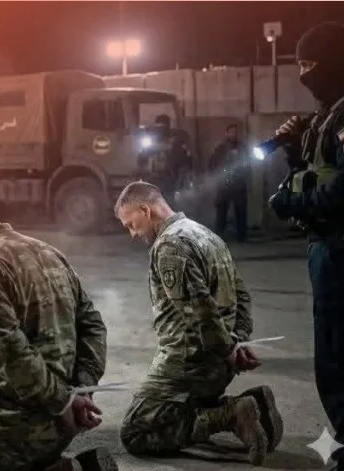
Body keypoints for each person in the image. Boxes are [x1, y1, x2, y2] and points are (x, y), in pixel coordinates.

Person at [0, 177, 113, 471]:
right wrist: (82, 389)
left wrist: (64, 402)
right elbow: (92, 325)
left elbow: (11, 353)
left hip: (17, 421)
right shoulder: (49, 252)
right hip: (67, 421)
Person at [115, 181, 281, 466]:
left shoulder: (170, 246)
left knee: (135, 431)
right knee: (182, 405)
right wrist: (238, 342)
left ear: (145, 210)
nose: (133, 233)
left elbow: (201, 312)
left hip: (190, 363)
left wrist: (228, 350)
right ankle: (256, 405)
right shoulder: (206, 234)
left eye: (131, 224)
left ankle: (230, 415)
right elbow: (241, 294)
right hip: (220, 363)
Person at [267, 21, 344, 471]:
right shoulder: (331, 111)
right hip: (333, 246)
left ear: (333, 62)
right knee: (338, 350)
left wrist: (296, 203)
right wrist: (294, 151)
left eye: (309, 64)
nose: (304, 74)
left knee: (342, 354)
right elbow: (320, 170)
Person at [209, 123, 249, 242]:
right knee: (221, 210)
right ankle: (219, 236)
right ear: (226, 133)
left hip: (238, 183)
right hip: (224, 183)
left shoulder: (242, 147)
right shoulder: (220, 148)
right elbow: (213, 163)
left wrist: (243, 176)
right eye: (231, 132)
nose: (234, 134)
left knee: (240, 210)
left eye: (235, 132)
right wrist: (218, 177)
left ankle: (241, 236)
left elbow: (248, 164)